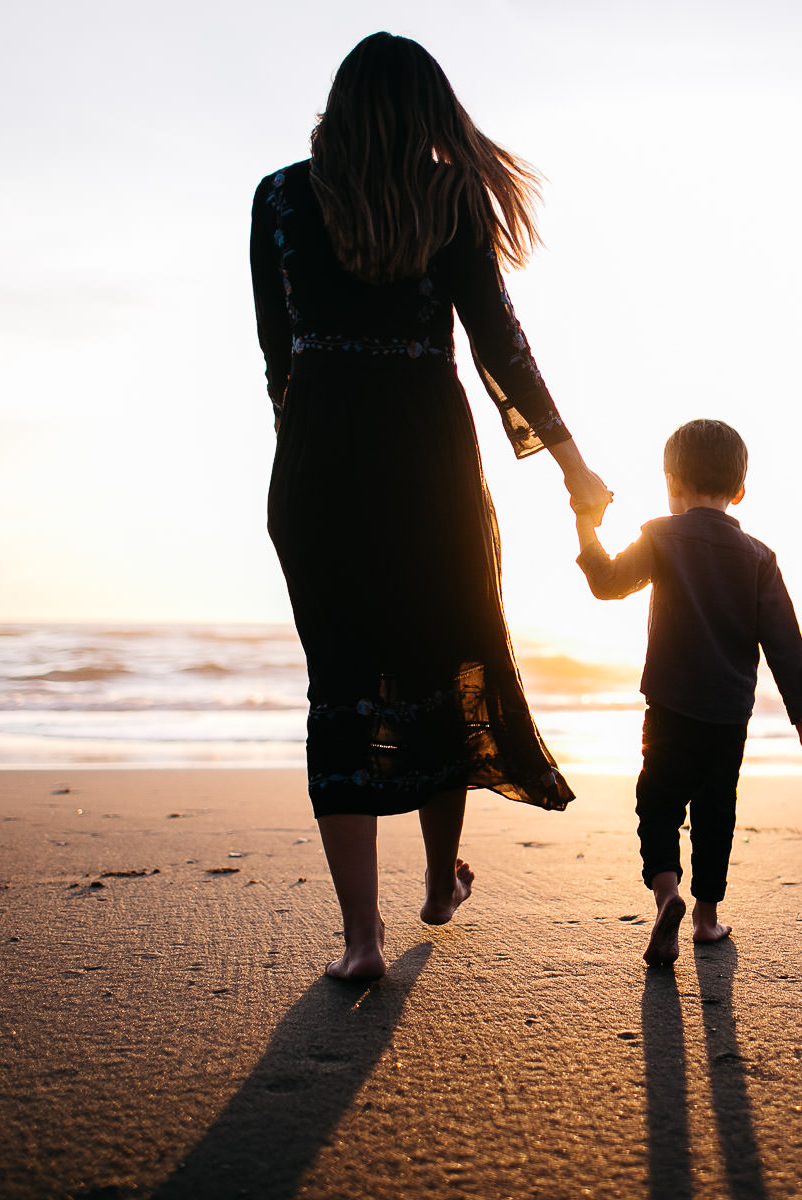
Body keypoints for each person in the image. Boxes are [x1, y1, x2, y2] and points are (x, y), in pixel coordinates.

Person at [250, 32, 612, 983]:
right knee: (446, 660)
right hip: (428, 460)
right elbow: (501, 341)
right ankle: (440, 883)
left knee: (340, 685)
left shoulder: (281, 197)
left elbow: (276, 353)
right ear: (425, 111)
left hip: (319, 461)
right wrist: (570, 462)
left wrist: (317, 435)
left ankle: (360, 942)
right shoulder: (448, 197)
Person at [573, 419, 802, 966]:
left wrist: (588, 531)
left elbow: (608, 583)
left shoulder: (662, 536)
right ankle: (707, 922)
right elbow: (784, 638)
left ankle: (668, 895)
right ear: (739, 490)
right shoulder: (759, 557)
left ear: (671, 483)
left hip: (668, 706)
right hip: (728, 716)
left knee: (657, 803)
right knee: (716, 813)